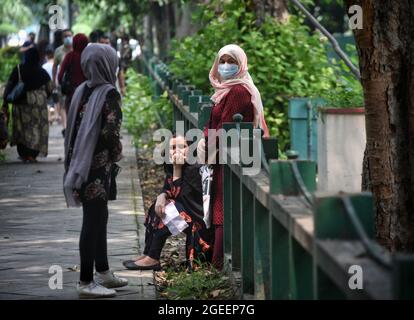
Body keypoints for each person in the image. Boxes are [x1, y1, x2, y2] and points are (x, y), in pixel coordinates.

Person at [63, 43, 127, 299]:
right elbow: (110, 132)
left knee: (100, 216)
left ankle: (103, 271)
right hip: (97, 168)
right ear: (107, 64)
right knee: (92, 220)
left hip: (80, 162)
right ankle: (86, 280)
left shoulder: (83, 90)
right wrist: (116, 151)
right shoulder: (109, 93)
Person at [200, 44, 269, 269]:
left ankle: (219, 265)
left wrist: (205, 138)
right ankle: (214, 262)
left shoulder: (239, 90)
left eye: (232, 62)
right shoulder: (224, 89)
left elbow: (224, 129)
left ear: (241, 66)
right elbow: (214, 125)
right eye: (223, 61)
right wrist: (206, 136)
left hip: (235, 159)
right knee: (218, 207)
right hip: (222, 157)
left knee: (223, 210)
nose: (226, 66)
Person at [123, 134, 211, 271]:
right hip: (187, 213)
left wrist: (177, 169)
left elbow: (180, 197)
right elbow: (168, 189)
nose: (177, 151)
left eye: (183, 147)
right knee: (156, 207)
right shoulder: (174, 166)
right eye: (173, 147)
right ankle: (148, 253)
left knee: (169, 211)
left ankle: (153, 258)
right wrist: (162, 196)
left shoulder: (194, 168)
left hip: (198, 222)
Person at [2, 48, 53, 162]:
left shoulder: (19, 69)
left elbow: (10, 85)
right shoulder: (42, 72)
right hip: (39, 105)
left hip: (21, 104)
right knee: (37, 129)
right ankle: (33, 154)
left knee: (22, 129)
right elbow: (50, 89)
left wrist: (5, 100)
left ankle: (25, 154)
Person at [58, 33, 88, 114]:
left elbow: (60, 76)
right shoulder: (89, 56)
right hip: (87, 94)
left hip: (72, 94)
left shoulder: (70, 56)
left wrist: (64, 85)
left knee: (72, 120)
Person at [53, 28, 73, 136]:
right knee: (63, 105)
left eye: (69, 36)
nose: (68, 38)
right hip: (63, 83)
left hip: (76, 83)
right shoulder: (58, 51)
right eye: (65, 36)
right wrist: (54, 80)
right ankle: (65, 128)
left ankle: (72, 126)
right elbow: (55, 67)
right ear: (62, 38)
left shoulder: (77, 49)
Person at [42, 45, 57, 124]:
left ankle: (49, 117)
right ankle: (55, 115)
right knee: (56, 102)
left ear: (46, 55)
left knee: (48, 102)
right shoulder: (56, 65)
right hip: (55, 85)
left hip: (46, 87)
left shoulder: (44, 66)